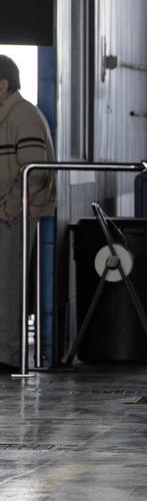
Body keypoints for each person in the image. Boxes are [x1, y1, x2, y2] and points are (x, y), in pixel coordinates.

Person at [0, 56, 56, 373]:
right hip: (9, 212)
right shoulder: (8, 115)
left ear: (3, 85)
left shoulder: (22, 117)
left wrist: (9, 208)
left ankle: (7, 356)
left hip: (16, 215)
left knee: (9, 286)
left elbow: (34, 173)